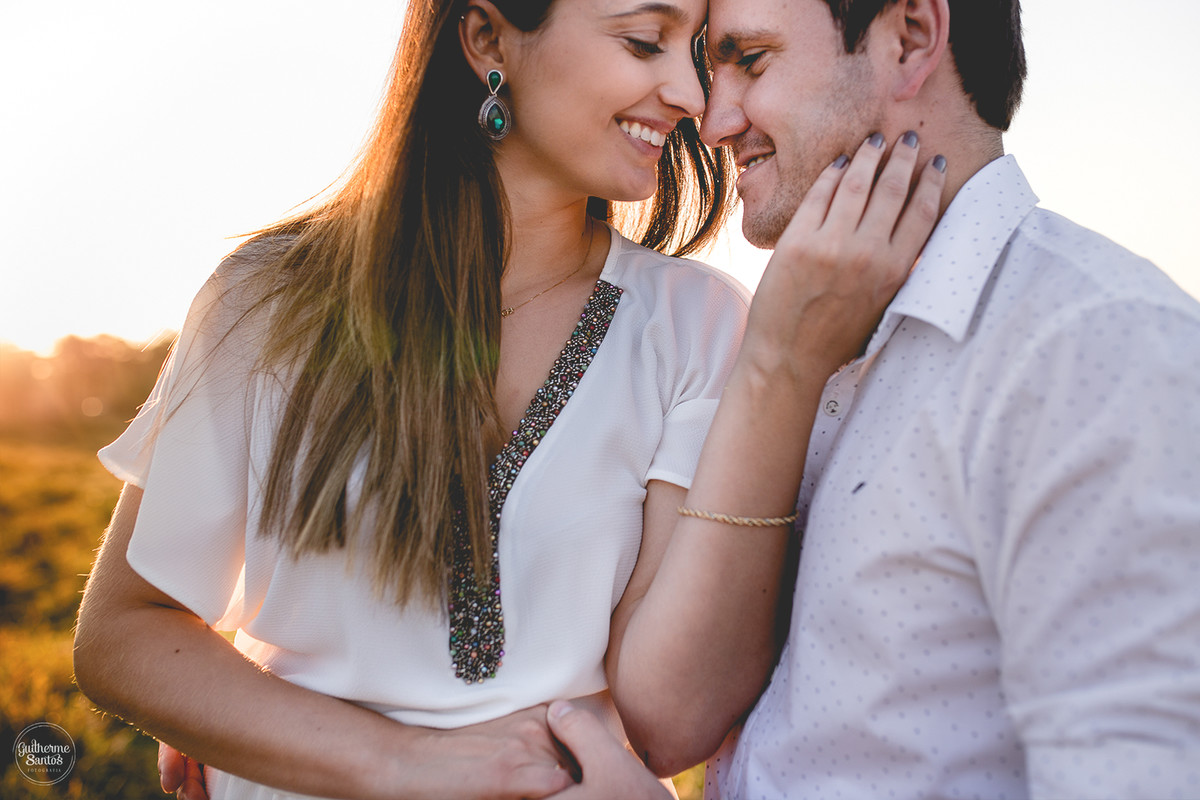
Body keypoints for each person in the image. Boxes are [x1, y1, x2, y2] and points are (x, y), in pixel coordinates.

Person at [72, 1, 944, 798]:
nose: (688, 94)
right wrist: (396, 761)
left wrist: (786, 364)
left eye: (699, 54)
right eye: (644, 41)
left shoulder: (696, 324)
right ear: (487, 37)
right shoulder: (265, 301)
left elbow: (669, 712)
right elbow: (125, 633)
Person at [548, 0, 1200, 797]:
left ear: (911, 39)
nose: (712, 122)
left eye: (749, 59)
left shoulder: (1096, 351)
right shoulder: (812, 340)